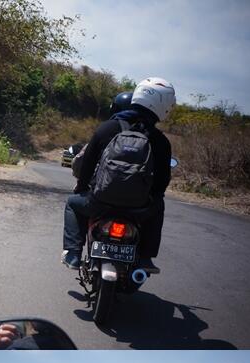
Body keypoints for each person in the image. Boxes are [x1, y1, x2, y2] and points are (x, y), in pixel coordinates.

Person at [61, 77, 176, 273]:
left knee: (73, 203)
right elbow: (162, 181)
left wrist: (82, 188)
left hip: (100, 201)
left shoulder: (107, 128)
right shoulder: (161, 141)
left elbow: (87, 163)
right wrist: (152, 199)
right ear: (164, 105)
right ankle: (145, 258)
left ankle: (73, 253)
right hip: (138, 208)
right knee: (159, 205)